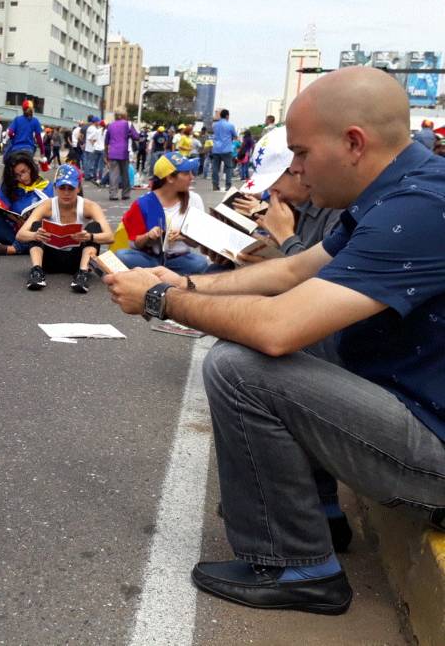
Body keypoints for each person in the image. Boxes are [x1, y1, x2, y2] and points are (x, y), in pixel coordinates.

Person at [103, 66, 445, 616]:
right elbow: (291, 275)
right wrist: (185, 283)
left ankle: (299, 567)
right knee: (293, 335)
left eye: (302, 153)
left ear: (353, 143)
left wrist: (157, 300)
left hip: (437, 454)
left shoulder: (422, 207)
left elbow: (279, 326)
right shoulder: (398, 192)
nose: (298, 170)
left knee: (242, 366)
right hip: (418, 408)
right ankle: (321, 516)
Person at [16, 164, 113, 293]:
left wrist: (89, 236)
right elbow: (20, 234)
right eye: (62, 188)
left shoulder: (89, 206)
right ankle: (37, 271)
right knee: (36, 227)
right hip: (49, 260)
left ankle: (82, 273)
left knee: (94, 227)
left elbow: (110, 236)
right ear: (55, 188)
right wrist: (35, 236)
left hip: (76, 260)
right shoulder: (47, 205)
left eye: (70, 188)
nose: (66, 193)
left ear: (78, 188)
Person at [114, 152, 210, 275]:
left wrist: (183, 237)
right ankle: (165, 275)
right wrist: (148, 236)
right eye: (186, 173)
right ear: (169, 178)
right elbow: (134, 244)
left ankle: (153, 275)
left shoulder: (194, 199)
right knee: (122, 256)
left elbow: (197, 243)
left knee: (200, 263)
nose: (192, 177)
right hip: (150, 258)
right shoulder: (143, 203)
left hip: (179, 259)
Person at [0, 152, 54, 256]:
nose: (22, 178)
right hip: (16, 231)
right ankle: (25, 247)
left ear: (31, 168)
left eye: (24, 172)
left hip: (37, 232)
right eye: (17, 175)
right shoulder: (9, 186)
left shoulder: (46, 186)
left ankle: (17, 248)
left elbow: (53, 215)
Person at [104, 109, 140, 201]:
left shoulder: (110, 125)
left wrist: (106, 154)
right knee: (125, 174)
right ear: (125, 115)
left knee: (113, 174)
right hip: (124, 152)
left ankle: (113, 194)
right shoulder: (128, 124)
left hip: (112, 152)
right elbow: (136, 136)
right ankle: (125, 193)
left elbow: (106, 141)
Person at [210, 108, 237, 190]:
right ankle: (228, 186)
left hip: (216, 149)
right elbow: (235, 136)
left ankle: (215, 185)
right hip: (226, 149)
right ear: (227, 116)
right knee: (228, 168)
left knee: (215, 168)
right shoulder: (230, 125)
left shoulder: (214, 125)